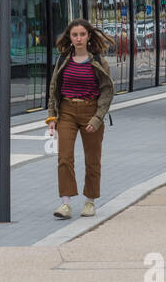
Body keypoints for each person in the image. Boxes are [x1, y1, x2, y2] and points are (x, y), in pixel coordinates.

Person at [45, 19, 115, 219]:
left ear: (89, 36)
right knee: (64, 157)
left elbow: (107, 92)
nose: (78, 39)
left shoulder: (98, 62)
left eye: (82, 34)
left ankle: (90, 201)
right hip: (67, 111)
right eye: (74, 35)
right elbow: (53, 91)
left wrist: (97, 118)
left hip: (91, 111)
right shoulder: (62, 61)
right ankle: (65, 204)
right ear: (70, 37)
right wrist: (52, 118)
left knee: (92, 160)